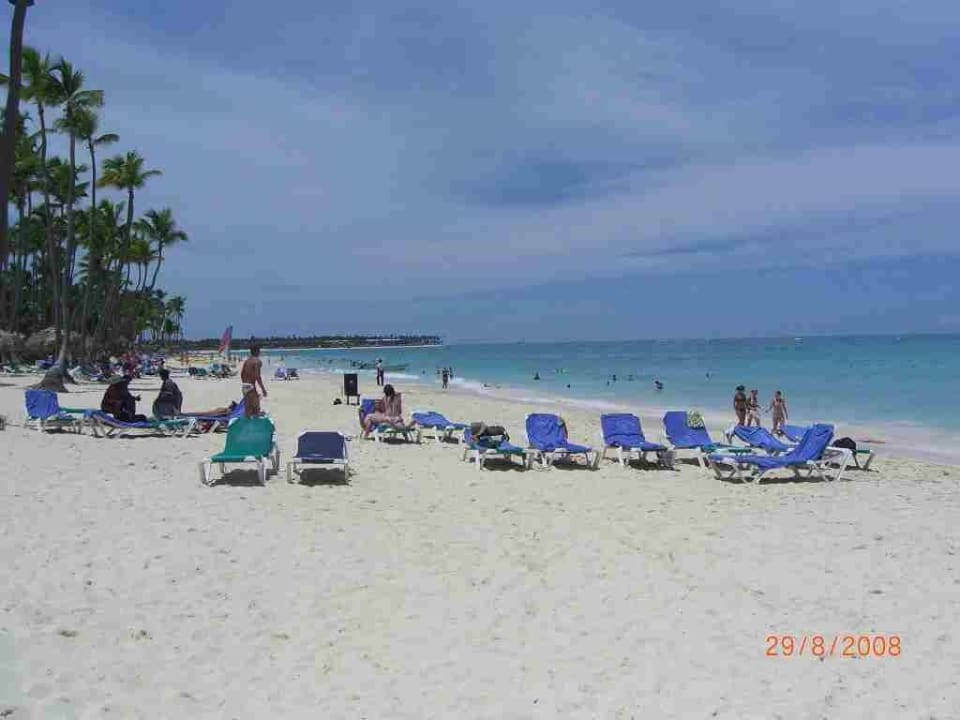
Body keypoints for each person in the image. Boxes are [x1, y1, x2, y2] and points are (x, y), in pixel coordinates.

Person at [240, 345, 268, 418]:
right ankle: (255, 427)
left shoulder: (247, 361)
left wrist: (246, 383)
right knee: (256, 410)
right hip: (251, 386)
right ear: (257, 351)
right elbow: (257, 376)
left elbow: (242, 374)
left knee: (248, 410)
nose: (260, 353)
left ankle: (247, 426)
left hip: (244, 386)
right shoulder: (257, 361)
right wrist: (263, 389)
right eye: (259, 351)